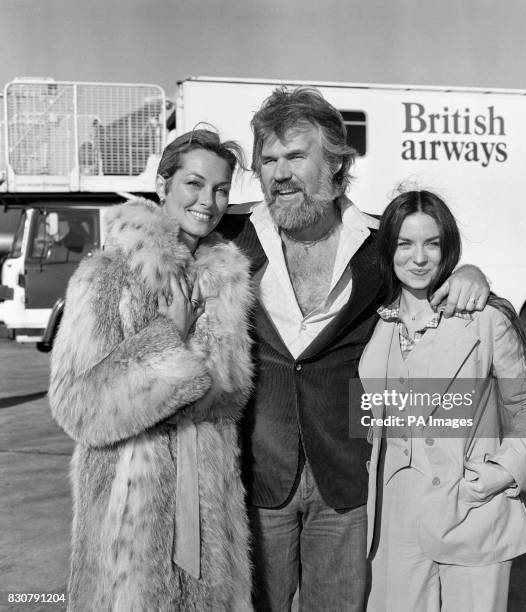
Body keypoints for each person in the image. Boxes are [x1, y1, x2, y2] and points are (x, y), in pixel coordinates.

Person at [217, 87, 490, 611]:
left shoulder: (377, 244)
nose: (279, 173)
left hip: (347, 478)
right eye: (268, 160)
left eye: (296, 156)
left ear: (337, 166)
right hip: (256, 474)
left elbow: (430, 270)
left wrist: (473, 273)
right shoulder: (232, 236)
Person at [48, 130, 254, 611]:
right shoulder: (108, 275)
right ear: (163, 185)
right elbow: (77, 407)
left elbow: (232, 399)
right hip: (130, 517)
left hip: (210, 506)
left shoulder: (225, 282)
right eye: (194, 183)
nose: (208, 201)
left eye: (221, 189)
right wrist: (166, 341)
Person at [360, 190, 526, 612]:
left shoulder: (485, 317)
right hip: (393, 520)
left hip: (468, 506)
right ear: (388, 248)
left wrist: (504, 469)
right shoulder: (376, 323)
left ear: (448, 248)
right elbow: (369, 416)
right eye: (405, 243)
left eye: (432, 243)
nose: (419, 257)